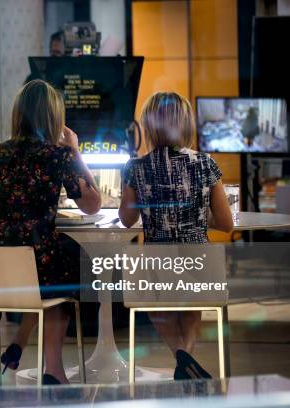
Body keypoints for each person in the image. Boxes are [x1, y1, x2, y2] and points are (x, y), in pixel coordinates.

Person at [0, 79, 101, 384]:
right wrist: (76, 152)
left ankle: (20, 340)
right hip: (40, 261)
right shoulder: (59, 155)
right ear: (53, 116)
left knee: (42, 272)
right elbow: (93, 205)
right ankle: (53, 369)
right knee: (66, 271)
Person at [118, 91, 233, 380]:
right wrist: (196, 213)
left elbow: (126, 219)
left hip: (157, 258)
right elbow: (226, 223)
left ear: (149, 124)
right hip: (200, 260)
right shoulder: (206, 163)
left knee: (156, 306)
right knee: (195, 302)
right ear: (185, 123)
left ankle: (181, 355)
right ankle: (187, 358)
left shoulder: (136, 167)